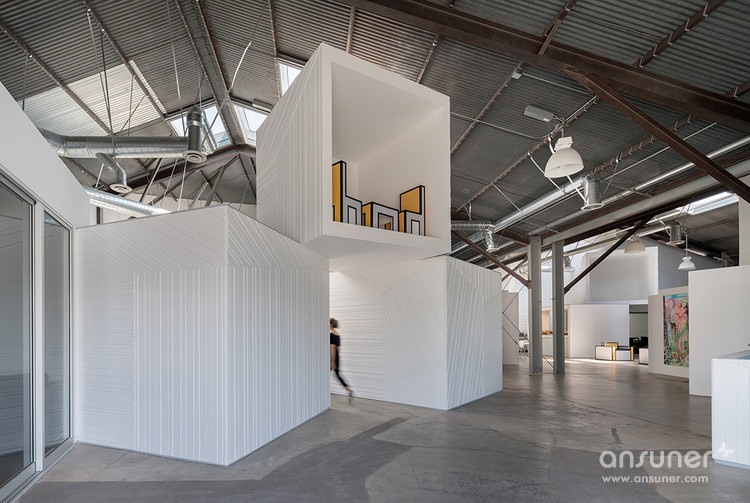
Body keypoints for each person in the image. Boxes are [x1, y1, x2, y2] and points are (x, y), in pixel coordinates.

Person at [330, 318, 354, 401]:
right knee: (338, 375)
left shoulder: (331, 335)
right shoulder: (337, 335)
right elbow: (338, 348)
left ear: (330, 324)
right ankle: (349, 389)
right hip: (337, 357)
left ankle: (324, 391)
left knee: (325, 374)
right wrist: (336, 359)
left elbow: (332, 349)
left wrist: (332, 362)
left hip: (332, 358)